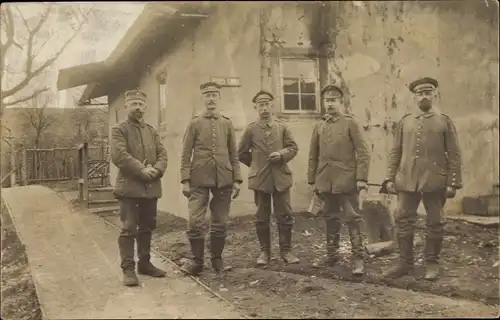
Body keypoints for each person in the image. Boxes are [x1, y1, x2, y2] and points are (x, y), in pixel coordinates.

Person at [382, 77, 462, 281]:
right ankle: (405, 263)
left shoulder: (444, 120)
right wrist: (389, 178)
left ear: (434, 95)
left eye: (428, 92)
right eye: (420, 93)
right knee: (402, 220)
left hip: (435, 180)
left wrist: (453, 182)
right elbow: (395, 152)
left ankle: (432, 263)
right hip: (407, 180)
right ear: (414, 97)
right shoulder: (405, 121)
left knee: (435, 222)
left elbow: (454, 153)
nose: (424, 96)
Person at [180, 81, 242, 276]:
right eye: (207, 95)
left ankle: (217, 259)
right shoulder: (195, 123)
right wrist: (185, 180)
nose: (211, 98)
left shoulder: (227, 123)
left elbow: (234, 154)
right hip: (199, 179)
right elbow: (185, 154)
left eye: (214, 95)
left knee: (220, 222)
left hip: (224, 178)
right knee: (195, 221)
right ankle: (197, 262)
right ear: (203, 98)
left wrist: (237, 179)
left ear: (219, 98)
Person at [307, 84, 371, 275]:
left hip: (347, 181)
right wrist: (312, 180)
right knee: (330, 218)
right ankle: (331, 256)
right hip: (325, 181)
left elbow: (364, 152)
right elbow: (313, 155)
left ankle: (358, 259)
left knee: (352, 218)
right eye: (327, 100)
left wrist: (361, 179)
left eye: (333, 100)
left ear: (341, 102)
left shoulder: (351, 123)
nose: (330, 104)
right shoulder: (319, 126)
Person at [110, 89, 168, 286]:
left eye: (141, 104)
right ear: (126, 107)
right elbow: (119, 155)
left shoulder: (152, 131)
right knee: (128, 228)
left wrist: (156, 170)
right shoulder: (119, 129)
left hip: (151, 187)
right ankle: (128, 269)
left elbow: (163, 155)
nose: (138, 108)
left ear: (145, 107)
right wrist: (142, 170)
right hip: (129, 188)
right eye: (133, 104)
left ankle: (145, 264)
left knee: (147, 227)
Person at [237, 90, 300, 266]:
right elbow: (241, 153)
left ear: (272, 106)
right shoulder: (251, 129)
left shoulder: (282, 127)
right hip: (260, 179)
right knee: (261, 216)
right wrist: (256, 165)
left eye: (267, 104)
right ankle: (265, 252)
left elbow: (293, 148)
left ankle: (286, 251)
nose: (264, 108)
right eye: (260, 105)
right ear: (255, 107)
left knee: (285, 215)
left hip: (281, 178)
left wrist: (281, 155)